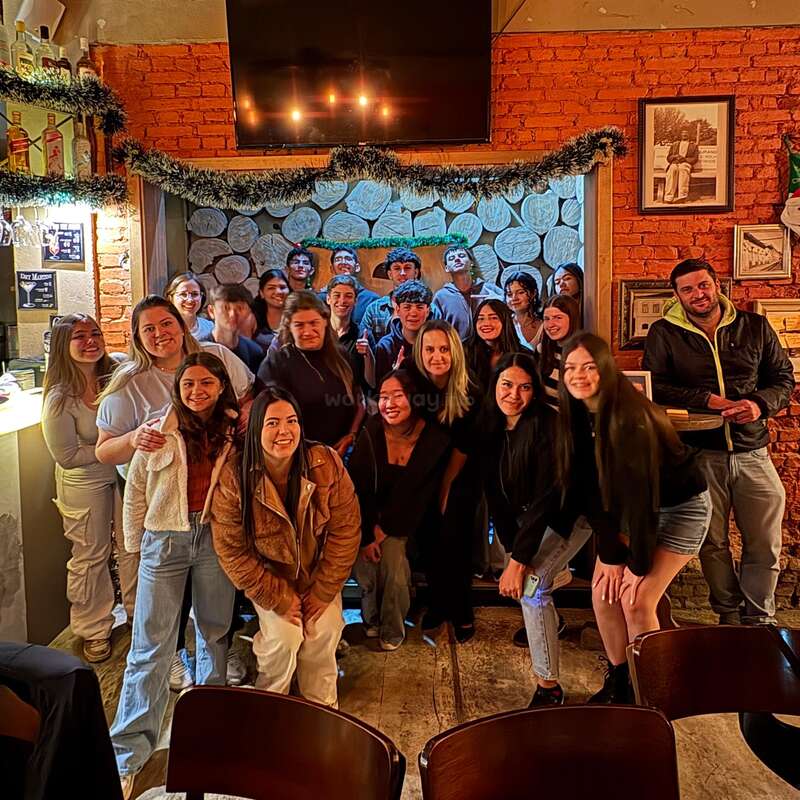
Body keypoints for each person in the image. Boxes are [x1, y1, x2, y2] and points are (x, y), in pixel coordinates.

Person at [95, 295, 253, 691]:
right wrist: (135, 437)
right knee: (160, 622)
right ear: (137, 337)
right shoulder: (129, 383)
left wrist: (239, 430)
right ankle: (172, 663)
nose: (159, 334)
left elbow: (248, 399)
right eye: (148, 329)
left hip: (215, 510)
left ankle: (213, 681)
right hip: (163, 510)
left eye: (165, 324)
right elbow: (104, 449)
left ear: (181, 325)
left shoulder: (216, 356)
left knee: (215, 613)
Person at [557, 333, 711, 703]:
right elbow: (592, 493)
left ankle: (652, 692)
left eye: (589, 367)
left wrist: (634, 565)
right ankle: (620, 679)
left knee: (636, 599)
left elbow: (643, 502)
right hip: (630, 510)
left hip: (680, 508)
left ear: (607, 369)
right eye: (570, 368)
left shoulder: (630, 418)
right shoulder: (579, 412)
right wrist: (610, 554)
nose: (578, 375)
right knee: (602, 590)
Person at [111, 352, 238, 799]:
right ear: (177, 389)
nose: (197, 392)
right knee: (150, 645)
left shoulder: (234, 431)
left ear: (221, 386)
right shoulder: (157, 431)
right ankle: (126, 754)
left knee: (214, 634)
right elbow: (137, 490)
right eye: (188, 385)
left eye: (206, 383)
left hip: (215, 537)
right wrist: (133, 544)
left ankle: (209, 739)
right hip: (164, 539)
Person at [642, 258, 794, 626]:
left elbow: (783, 379)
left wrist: (758, 405)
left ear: (717, 285)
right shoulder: (665, 333)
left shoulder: (754, 326)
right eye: (688, 289)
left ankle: (758, 619)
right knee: (711, 542)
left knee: (765, 542)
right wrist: (705, 399)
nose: (698, 294)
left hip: (753, 451)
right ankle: (727, 614)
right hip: (699, 453)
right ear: (677, 295)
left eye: (703, 285)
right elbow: (655, 385)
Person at [211, 386, 360, 707]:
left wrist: (323, 590)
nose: (284, 431)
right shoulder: (235, 476)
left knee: (324, 629)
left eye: (291, 421)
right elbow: (231, 550)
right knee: (285, 637)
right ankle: (273, 707)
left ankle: (321, 709)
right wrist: (277, 596)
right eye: (272, 423)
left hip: (318, 575)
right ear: (255, 430)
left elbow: (346, 531)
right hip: (270, 578)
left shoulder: (325, 462)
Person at [484, 353, 593, 706]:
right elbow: (496, 496)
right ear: (495, 385)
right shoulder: (493, 426)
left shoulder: (548, 425)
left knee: (532, 588)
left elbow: (549, 499)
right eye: (506, 385)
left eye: (524, 387)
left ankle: (550, 687)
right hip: (534, 521)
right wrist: (511, 551)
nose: (514, 395)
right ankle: (554, 625)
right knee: (529, 578)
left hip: (572, 515)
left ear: (535, 391)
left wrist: (519, 561)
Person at [41, 314, 138, 664]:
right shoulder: (58, 396)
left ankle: (137, 615)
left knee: (132, 548)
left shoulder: (118, 371)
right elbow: (66, 456)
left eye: (95, 332)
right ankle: (93, 628)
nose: (90, 341)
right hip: (83, 481)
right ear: (62, 345)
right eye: (79, 336)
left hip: (124, 474)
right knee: (90, 555)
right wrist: (115, 449)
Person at [349, 370, 451, 650]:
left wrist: (383, 531)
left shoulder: (433, 438)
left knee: (393, 559)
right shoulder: (372, 429)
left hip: (411, 523)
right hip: (367, 518)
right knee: (365, 561)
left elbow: (418, 497)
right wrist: (369, 533)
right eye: (383, 397)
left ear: (414, 399)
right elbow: (357, 486)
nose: (389, 404)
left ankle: (393, 628)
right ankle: (371, 619)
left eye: (398, 396)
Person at [412, 320, 481, 642]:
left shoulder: (469, 389)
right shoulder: (413, 385)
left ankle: (462, 609)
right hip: (424, 476)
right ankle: (438, 605)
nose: (436, 356)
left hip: (461, 475)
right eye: (429, 349)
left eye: (443, 349)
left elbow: (465, 446)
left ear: (454, 351)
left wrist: (445, 489)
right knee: (429, 544)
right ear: (419, 352)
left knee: (456, 543)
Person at [257, 291, 365, 455]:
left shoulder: (342, 356)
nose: (307, 332)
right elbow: (270, 420)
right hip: (298, 455)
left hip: (342, 452)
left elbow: (360, 400)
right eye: (299, 325)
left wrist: (352, 434)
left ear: (325, 322)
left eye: (314, 323)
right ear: (289, 327)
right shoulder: (276, 364)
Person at [432, 245, 503, 340]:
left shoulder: (489, 289)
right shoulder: (441, 297)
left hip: (489, 349)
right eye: (452, 258)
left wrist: (499, 301)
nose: (457, 259)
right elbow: (435, 330)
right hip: (457, 352)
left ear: (471, 263)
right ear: (446, 268)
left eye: (461, 256)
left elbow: (511, 312)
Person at [361, 246, 427, 342]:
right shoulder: (375, 309)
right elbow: (365, 341)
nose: (403, 273)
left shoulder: (429, 308)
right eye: (397, 268)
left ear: (416, 273)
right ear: (390, 274)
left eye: (407, 268)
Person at [374, 280, 432, 386]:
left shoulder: (434, 342)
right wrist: (395, 373)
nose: (413, 313)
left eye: (419, 307)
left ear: (427, 311)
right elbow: (380, 390)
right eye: (407, 307)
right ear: (398, 310)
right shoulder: (386, 346)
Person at [324, 274, 376, 391]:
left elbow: (371, 383)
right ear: (328, 299)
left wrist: (368, 355)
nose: (342, 301)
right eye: (337, 295)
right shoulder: (319, 332)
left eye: (348, 296)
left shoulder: (363, 335)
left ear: (355, 301)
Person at [204, 283, 265, 373]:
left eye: (239, 308)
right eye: (226, 308)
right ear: (211, 311)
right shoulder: (200, 349)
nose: (233, 314)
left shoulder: (254, 351)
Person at [465, 298, 522, 392]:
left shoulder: (523, 355)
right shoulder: (464, 352)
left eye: (493, 318)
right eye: (481, 318)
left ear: (505, 321)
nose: (486, 323)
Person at [536, 294, 581, 411]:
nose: (551, 324)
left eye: (558, 318)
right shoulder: (541, 350)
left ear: (572, 318)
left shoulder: (584, 354)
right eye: (546, 319)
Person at [317, 246, 379, 326]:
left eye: (348, 259)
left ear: (357, 267)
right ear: (332, 269)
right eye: (338, 259)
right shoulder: (321, 299)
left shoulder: (371, 299)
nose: (343, 262)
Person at [164, 271, 213, 340]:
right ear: (170, 298)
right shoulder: (164, 330)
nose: (190, 300)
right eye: (183, 294)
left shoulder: (209, 328)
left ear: (202, 297)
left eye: (194, 294)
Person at [251, 269, 290, 352]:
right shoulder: (253, 319)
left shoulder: (297, 317)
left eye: (282, 287)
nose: (278, 292)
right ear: (261, 293)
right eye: (271, 288)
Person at [503, 270, 542, 349]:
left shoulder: (544, 325)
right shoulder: (502, 324)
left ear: (533, 293)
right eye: (509, 294)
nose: (514, 298)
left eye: (520, 292)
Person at [664, 128, 700, 204]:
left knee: (683, 168)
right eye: (683, 133)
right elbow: (669, 157)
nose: (684, 134)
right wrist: (675, 157)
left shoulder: (693, 146)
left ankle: (682, 196)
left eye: (686, 133)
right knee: (672, 169)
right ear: (680, 135)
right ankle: (669, 197)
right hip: (675, 163)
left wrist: (685, 159)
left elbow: (695, 158)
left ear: (689, 135)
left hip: (686, 163)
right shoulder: (675, 144)